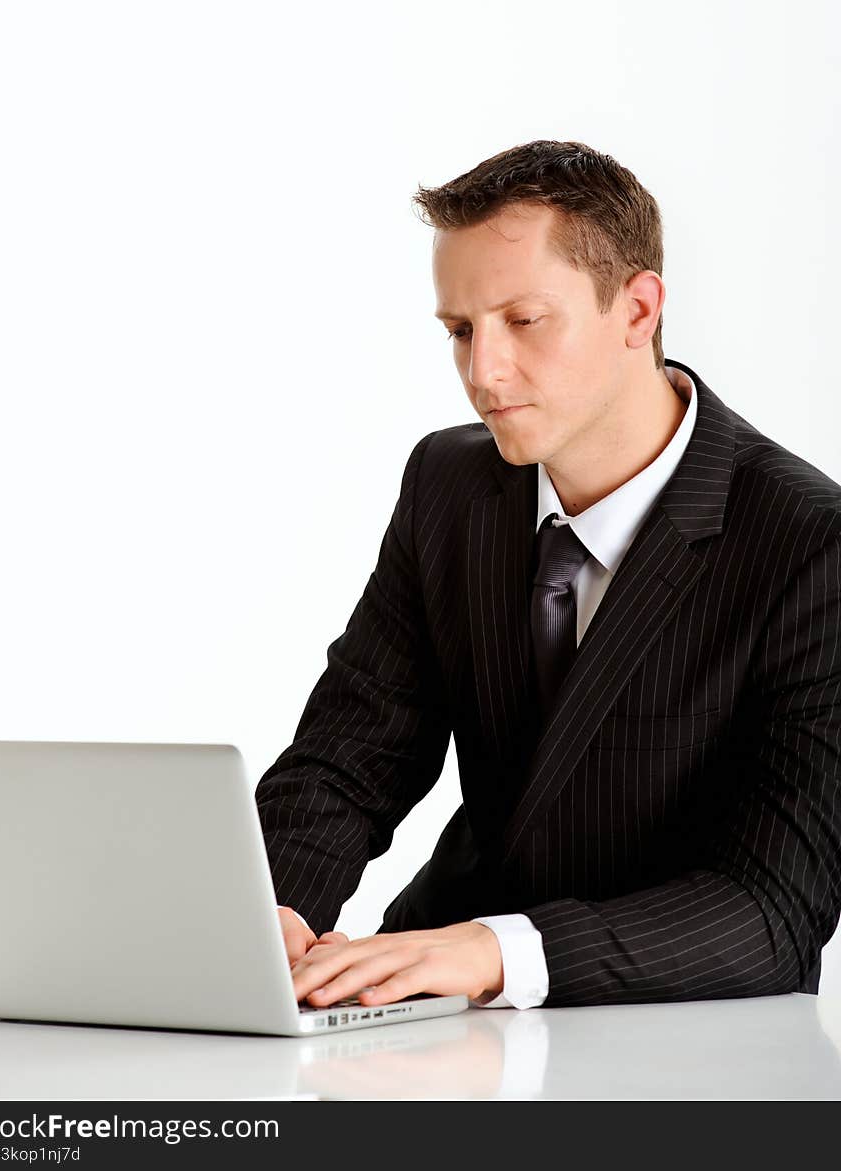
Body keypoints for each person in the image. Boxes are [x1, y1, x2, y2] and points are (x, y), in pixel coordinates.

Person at [256, 139, 841, 1011]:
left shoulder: (810, 544)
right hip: (439, 1005)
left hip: (686, 1037)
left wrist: (499, 952)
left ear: (638, 310)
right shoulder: (448, 485)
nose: (481, 372)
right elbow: (347, 759)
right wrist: (271, 914)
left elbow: (773, 912)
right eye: (460, 331)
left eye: (524, 321)